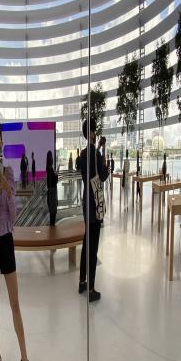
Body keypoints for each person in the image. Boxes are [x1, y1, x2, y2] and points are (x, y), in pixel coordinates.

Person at [0, 123, 37, 361]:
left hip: (7, 241)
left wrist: (4, 183)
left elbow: (13, 216)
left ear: (2, 145)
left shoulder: (10, 173)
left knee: (15, 304)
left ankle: (24, 358)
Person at [79, 120, 108, 302]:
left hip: (85, 201)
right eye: (94, 130)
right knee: (93, 246)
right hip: (95, 203)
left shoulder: (83, 154)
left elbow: (86, 173)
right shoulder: (96, 153)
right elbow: (103, 175)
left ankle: (82, 281)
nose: (95, 132)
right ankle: (91, 290)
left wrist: (98, 148)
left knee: (85, 242)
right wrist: (102, 150)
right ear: (90, 132)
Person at [46, 150, 58, 226]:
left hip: (51, 191)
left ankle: (52, 228)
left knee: (52, 212)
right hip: (52, 192)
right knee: (53, 212)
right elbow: (53, 182)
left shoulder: (48, 168)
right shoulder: (50, 169)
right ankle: (52, 228)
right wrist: (56, 175)